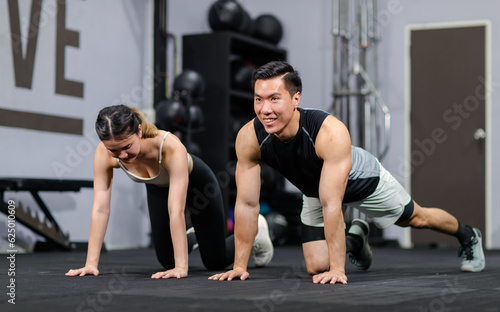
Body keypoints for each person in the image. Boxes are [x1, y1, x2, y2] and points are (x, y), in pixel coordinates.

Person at [209, 61, 485, 284]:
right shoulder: (250, 137)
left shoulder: (328, 132)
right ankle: (356, 238)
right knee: (317, 267)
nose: (265, 109)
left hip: (361, 180)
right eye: (258, 99)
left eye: (274, 99)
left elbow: (333, 203)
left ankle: (468, 235)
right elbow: (246, 203)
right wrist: (239, 267)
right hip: (315, 189)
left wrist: (339, 270)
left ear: (296, 99)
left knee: (416, 218)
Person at [66, 105, 274, 279]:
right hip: (158, 189)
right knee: (166, 261)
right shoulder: (104, 153)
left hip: (199, 186)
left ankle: (258, 230)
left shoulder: (169, 146)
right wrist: (91, 263)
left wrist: (182, 268)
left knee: (215, 261)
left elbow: (176, 210)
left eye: (127, 146)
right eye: (114, 150)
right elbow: (101, 208)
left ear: (139, 131)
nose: (122, 155)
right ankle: (193, 236)